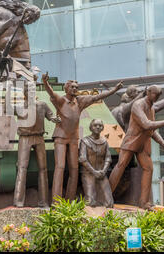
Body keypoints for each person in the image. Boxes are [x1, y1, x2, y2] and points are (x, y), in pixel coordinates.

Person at [42, 73, 123, 201]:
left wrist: (114, 90)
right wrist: (45, 82)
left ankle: (70, 200)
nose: (75, 89)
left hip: (74, 138)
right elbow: (51, 93)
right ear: (66, 89)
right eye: (72, 87)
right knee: (60, 167)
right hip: (61, 137)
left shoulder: (80, 102)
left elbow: (98, 97)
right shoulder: (61, 101)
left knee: (74, 169)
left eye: (76, 87)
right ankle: (56, 202)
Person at [109, 85, 164, 209]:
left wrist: (161, 141)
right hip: (132, 140)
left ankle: (144, 202)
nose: (156, 97)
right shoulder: (138, 104)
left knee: (148, 168)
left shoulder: (151, 108)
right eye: (155, 94)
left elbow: (152, 129)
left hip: (143, 142)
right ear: (148, 92)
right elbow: (146, 124)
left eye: (158, 95)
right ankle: (106, 197)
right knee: (121, 165)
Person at [13, 83, 60, 208]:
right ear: (24, 92)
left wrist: (55, 119)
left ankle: (44, 202)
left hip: (39, 138)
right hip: (25, 138)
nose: (31, 91)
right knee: (22, 168)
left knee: (43, 169)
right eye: (28, 89)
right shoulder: (19, 106)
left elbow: (51, 116)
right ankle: (18, 201)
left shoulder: (42, 105)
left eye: (33, 89)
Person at [79, 119, 114, 208]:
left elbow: (108, 157)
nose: (98, 127)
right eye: (95, 125)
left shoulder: (104, 142)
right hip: (88, 173)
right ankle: (81, 201)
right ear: (91, 127)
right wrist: (94, 172)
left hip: (102, 173)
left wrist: (104, 170)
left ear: (102, 128)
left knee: (109, 203)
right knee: (90, 202)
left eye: (100, 125)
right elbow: (83, 159)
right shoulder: (85, 141)